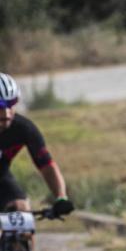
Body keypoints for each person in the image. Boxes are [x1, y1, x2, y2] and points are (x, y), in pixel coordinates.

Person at [0, 72, 74, 219]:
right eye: (0, 106)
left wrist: (61, 197)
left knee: (22, 212)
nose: (7, 113)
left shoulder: (23, 128)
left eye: (11, 104)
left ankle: (22, 242)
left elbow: (46, 166)